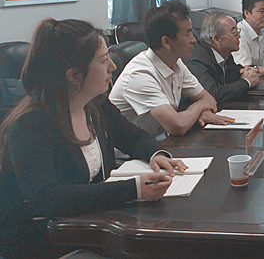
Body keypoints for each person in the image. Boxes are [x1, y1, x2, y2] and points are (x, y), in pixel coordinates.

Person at [0, 19, 185, 258]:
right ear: (74, 76)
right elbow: (48, 198)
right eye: (103, 60)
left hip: (92, 226)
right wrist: (134, 190)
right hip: (44, 241)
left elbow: (132, 136)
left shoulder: (95, 104)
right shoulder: (30, 125)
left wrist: (156, 154)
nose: (113, 66)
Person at [110, 1, 232, 136]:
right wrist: (199, 107)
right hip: (134, 147)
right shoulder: (139, 75)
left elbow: (210, 100)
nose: (194, 40)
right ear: (166, 42)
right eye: (188, 34)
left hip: (161, 139)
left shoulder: (176, 63)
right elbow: (178, 126)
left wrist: (202, 112)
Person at [186, 12, 260, 104]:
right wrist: (246, 82)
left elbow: (234, 75)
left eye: (238, 31)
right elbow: (211, 94)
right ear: (216, 39)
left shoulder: (225, 53)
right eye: (234, 33)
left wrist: (248, 72)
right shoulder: (197, 58)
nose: (239, 36)